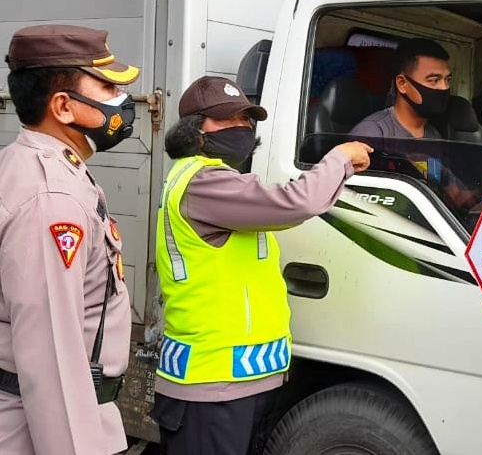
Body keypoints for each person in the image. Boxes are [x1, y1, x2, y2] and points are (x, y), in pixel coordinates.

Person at [150, 75, 372, 455]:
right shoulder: (202, 183)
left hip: (242, 381)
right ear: (195, 131)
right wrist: (339, 158)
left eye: (246, 119)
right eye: (229, 120)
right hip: (209, 385)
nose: (243, 128)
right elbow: (295, 203)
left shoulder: (227, 183)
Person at [0, 25, 139, 454]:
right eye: (106, 86)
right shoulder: (51, 198)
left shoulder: (32, 165)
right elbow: (53, 360)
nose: (121, 99)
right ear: (63, 106)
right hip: (47, 428)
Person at [350, 37, 451, 140]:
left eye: (447, 80)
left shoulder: (434, 135)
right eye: (434, 80)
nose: (444, 87)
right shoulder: (372, 132)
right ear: (402, 83)